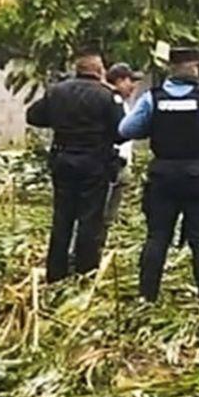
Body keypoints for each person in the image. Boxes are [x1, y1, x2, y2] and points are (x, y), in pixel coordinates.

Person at [119, 47, 199, 302]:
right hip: (198, 175)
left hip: (163, 175)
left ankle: (147, 295)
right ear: (196, 67)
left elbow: (126, 129)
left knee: (157, 236)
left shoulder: (153, 98)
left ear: (171, 69)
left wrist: (152, 128)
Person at [26, 51, 124, 282]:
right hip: (94, 162)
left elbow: (34, 116)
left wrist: (59, 120)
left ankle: (56, 272)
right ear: (99, 71)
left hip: (63, 160)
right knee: (90, 218)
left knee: (62, 216)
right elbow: (121, 131)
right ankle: (85, 271)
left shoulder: (57, 92)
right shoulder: (107, 96)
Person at [104, 62, 143, 226]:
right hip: (112, 163)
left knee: (109, 215)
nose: (133, 86)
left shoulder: (122, 103)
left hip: (121, 164)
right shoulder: (111, 101)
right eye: (130, 81)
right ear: (119, 81)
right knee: (101, 211)